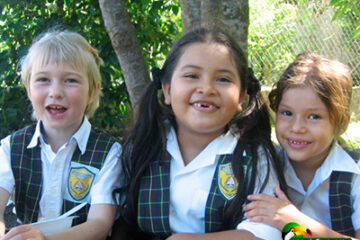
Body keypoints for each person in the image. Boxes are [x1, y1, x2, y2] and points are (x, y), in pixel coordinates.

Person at [115, 27, 286, 240]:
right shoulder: (142, 145)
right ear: (167, 90)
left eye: (223, 79)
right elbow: (119, 217)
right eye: (192, 76)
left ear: (242, 97)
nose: (206, 89)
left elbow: (266, 232)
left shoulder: (253, 155)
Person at [0, 30, 122, 240]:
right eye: (43, 79)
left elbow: (100, 223)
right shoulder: (10, 148)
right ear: (29, 89)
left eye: (70, 81)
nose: (55, 92)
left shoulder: (109, 153)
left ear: (93, 91)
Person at [243, 52, 360, 239]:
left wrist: (294, 222)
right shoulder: (264, 164)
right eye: (287, 113)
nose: (297, 128)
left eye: (314, 116)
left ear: (342, 123)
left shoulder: (355, 175)